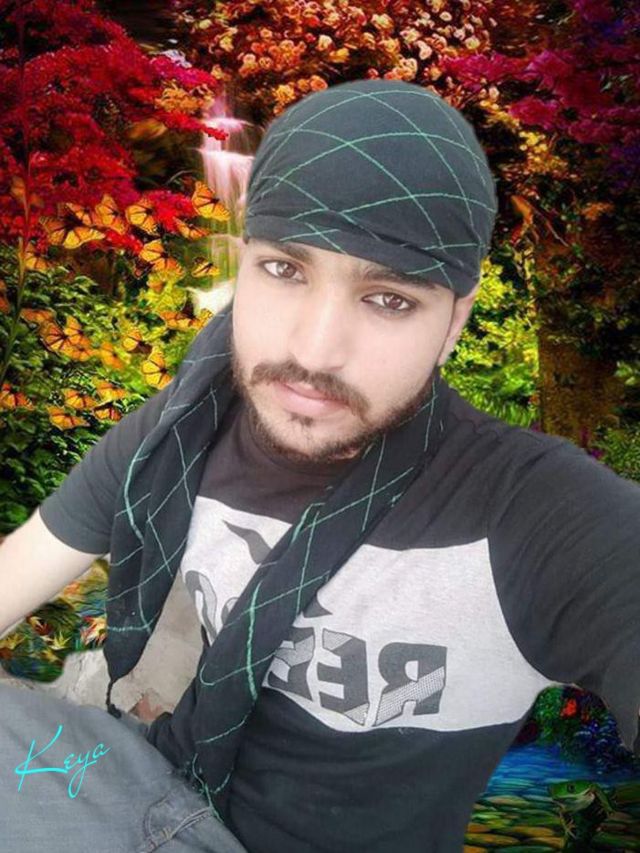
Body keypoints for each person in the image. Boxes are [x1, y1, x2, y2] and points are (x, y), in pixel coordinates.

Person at [1, 78, 639, 853]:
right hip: (140, 787)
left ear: (455, 322)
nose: (314, 349)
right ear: (244, 263)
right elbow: (19, 571)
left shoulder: (531, 512)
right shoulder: (177, 432)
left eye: (389, 299)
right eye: (285, 270)